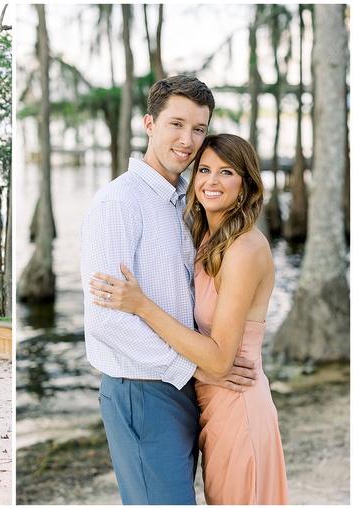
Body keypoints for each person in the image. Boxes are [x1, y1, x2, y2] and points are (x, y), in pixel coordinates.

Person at [80, 75, 257, 504]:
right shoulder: (119, 203)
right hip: (143, 388)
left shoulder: (185, 200)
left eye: (199, 128)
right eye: (176, 124)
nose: (188, 139)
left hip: (184, 388)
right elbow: (106, 319)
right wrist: (196, 367)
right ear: (149, 124)